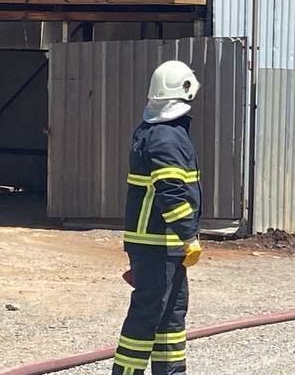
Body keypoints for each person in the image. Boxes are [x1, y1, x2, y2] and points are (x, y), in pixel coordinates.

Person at [112, 61, 204, 375]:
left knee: (171, 317)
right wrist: (188, 234)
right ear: (185, 92)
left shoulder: (157, 132)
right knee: (148, 315)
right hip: (159, 244)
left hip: (161, 245)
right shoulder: (167, 138)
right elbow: (172, 192)